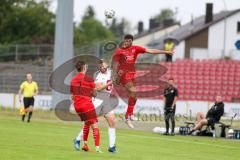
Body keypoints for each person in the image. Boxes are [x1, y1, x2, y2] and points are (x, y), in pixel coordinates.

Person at [112, 34, 174, 128]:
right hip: (123, 75)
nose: (127, 42)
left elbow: (151, 51)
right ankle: (128, 116)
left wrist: (165, 51)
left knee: (134, 97)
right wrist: (116, 76)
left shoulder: (135, 49)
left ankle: (128, 116)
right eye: (125, 41)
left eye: (129, 41)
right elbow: (115, 65)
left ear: (132, 41)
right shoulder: (119, 51)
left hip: (132, 75)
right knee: (133, 91)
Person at [74, 60, 117, 153]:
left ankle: (112, 146)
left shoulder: (111, 72)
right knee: (90, 122)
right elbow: (98, 88)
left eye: (103, 65)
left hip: (106, 100)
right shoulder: (99, 76)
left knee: (112, 121)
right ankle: (77, 139)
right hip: (98, 100)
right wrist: (111, 83)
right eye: (100, 66)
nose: (101, 67)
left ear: (107, 65)